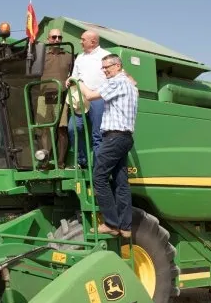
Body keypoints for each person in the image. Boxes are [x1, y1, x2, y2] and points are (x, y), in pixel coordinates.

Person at [67, 53, 138, 237]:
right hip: (126, 137)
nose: (104, 70)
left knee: (99, 177)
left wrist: (77, 80)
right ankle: (126, 227)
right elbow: (134, 81)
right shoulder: (130, 84)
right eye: (103, 67)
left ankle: (112, 224)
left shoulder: (117, 82)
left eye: (107, 67)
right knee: (121, 182)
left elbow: (90, 95)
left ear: (117, 66)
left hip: (114, 137)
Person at [68, 30, 111, 167]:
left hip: (98, 98)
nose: (80, 42)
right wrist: (69, 80)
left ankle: (98, 167)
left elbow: (113, 77)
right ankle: (82, 161)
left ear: (93, 41)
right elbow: (74, 76)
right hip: (80, 98)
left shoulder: (106, 55)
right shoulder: (80, 57)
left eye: (83, 39)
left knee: (97, 134)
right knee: (73, 128)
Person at [37, 28, 74, 168]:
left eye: (59, 37)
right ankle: (45, 160)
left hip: (61, 95)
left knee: (61, 128)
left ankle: (60, 162)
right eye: (54, 37)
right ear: (48, 39)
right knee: (44, 129)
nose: (57, 40)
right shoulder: (41, 56)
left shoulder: (69, 56)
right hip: (44, 95)